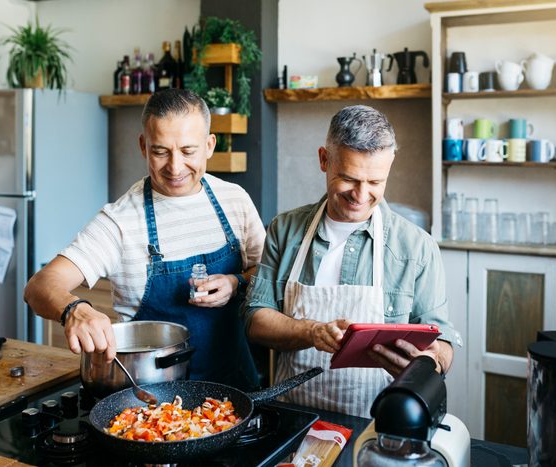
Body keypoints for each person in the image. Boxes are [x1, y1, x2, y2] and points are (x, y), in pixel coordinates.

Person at [24, 89, 265, 390]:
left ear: (209, 145)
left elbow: (266, 272)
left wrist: (236, 283)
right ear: (143, 146)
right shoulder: (121, 220)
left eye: (188, 151)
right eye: (160, 151)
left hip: (236, 390)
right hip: (152, 403)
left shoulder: (235, 201)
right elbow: (39, 286)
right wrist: (74, 309)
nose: (175, 167)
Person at [242, 105, 460, 417]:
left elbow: (444, 342)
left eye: (375, 182)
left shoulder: (417, 247)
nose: (361, 194)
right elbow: (255, 318)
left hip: (377, 422)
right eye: (349, 178)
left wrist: (429, 360)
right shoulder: (285, 229)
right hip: (293, 419)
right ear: (324, 160)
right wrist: (312, 332)